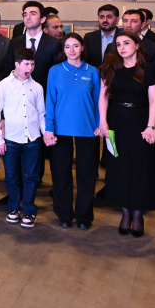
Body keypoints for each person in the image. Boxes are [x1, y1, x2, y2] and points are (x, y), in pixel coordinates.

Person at [96, 31, 155, 238]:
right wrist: (103, 122)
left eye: (126, 43)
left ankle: (138, 213)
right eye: (118, 44)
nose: (122, 47)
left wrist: (151, 126)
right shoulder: (110, 67)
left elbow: (154, 100)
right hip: (117, 122)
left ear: (137, 45)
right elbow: (103, 97)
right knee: (119, 167)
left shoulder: (148, 69)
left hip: (141, 122)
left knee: (141, 169)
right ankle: (125, 212)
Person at [43, 33, 101, 230]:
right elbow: (50, 101)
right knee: (61, 173)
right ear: (63, 49)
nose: (72, 50)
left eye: (75, 45)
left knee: (87, 174)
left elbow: (98, 102)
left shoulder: (93, 72)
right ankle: (64, 213)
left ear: (82, 47)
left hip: (88, 130)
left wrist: (100, 125)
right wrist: (48, 129)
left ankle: (84, 216)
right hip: (60, 130)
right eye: (67, 46)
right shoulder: (55, 71)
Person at [0, 48, 46, 229]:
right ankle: (13, 208)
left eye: (32, 64)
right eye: (26, 64)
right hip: (11, 140)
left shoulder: (37, 87)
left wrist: (46, 133)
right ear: (17, 64)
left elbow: (41, 114)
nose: (30, 68)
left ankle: (29, 211)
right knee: (11, 176)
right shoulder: (4, 85)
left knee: (31, 177)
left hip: (32, 139)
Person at [9, 1, 60, 92]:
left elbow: (57, 74)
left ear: (42, 19)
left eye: (33, 14)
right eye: (25, 14)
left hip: (44, 93)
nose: (28, 17)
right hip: (18, 93)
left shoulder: (54, 43)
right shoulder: (14, 42)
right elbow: (8, 69)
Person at [121, 9, 155, 78]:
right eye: (125, 21)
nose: (128, 25)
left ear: (143, 25)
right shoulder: (112, 46)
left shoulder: (154, 48)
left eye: (134, 21)